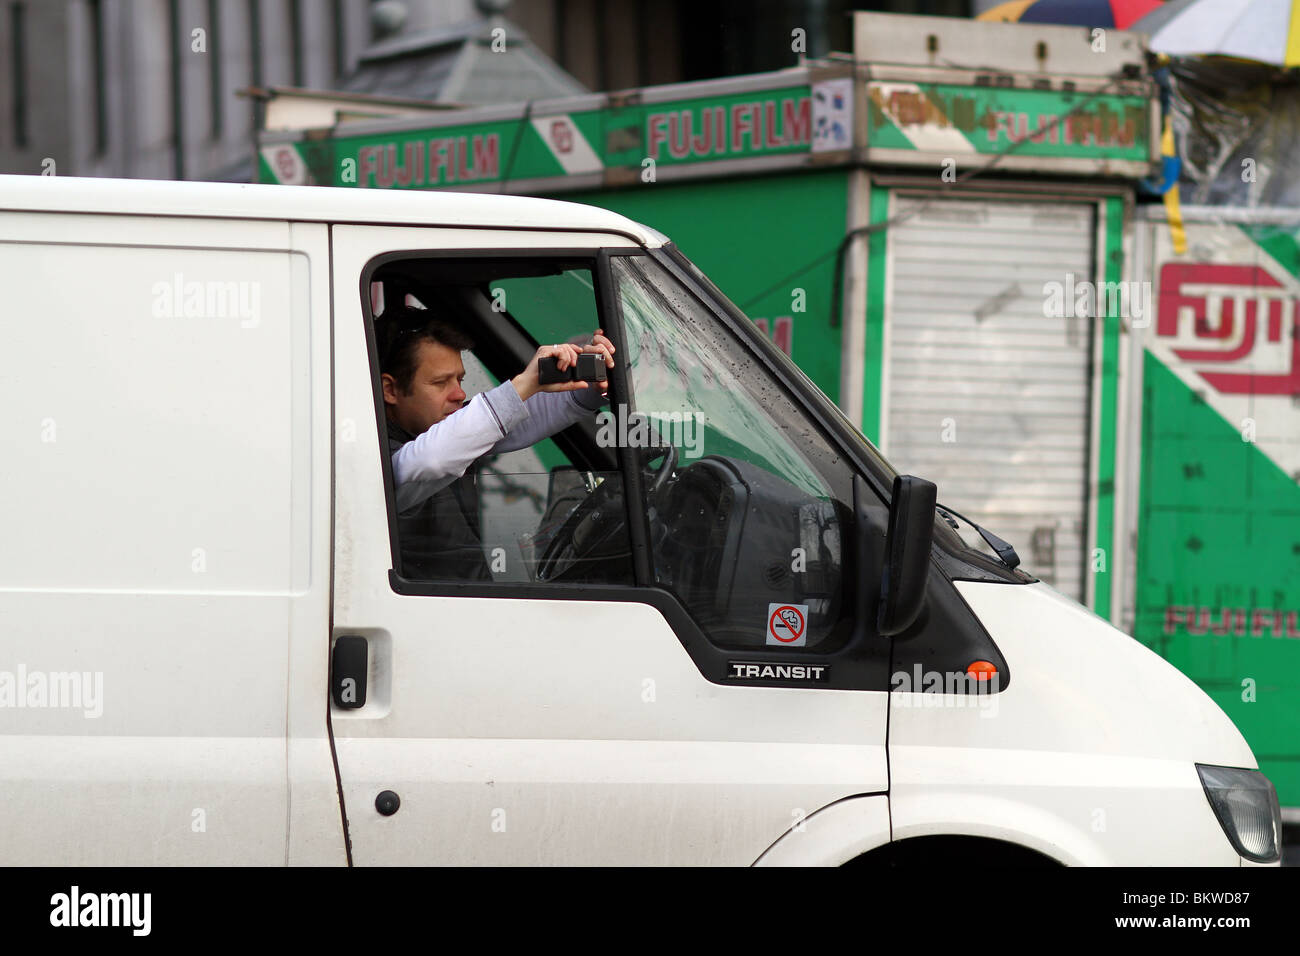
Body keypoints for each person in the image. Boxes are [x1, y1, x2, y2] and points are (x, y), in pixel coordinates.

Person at [377, 305, 615, 580]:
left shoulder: (448, 432)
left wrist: (593, 385)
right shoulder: (378, 457)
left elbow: (514, 420)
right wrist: (526, 382)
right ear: (390, 390)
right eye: (441, 382)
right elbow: (430, 459)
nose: (459, 393)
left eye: (460, 379)